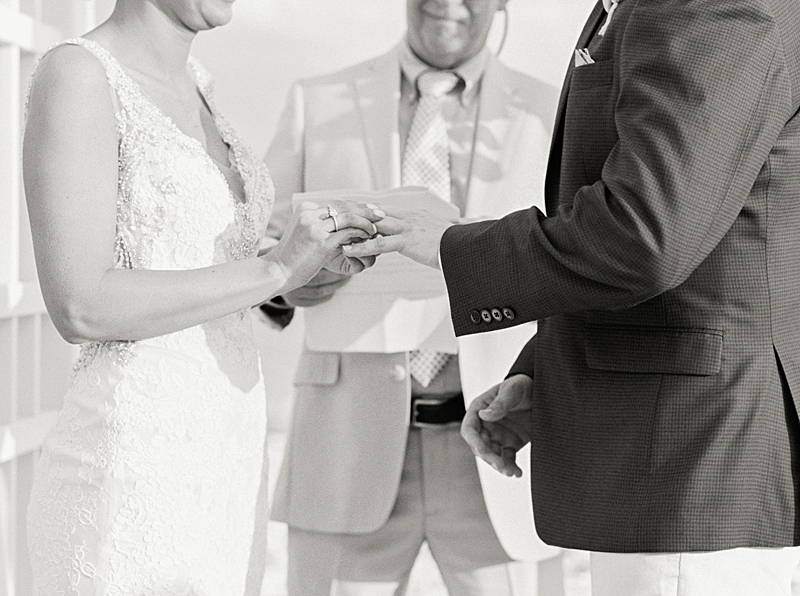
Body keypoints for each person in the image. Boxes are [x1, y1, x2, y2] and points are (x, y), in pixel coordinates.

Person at [344, 0, 800, 594]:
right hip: (666, 468)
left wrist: (456, 247)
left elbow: (646, 231)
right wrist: (553, 370)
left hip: (692, 473)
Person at [22, 0, 381, 593]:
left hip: (225, 465)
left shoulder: (200, 85)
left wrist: (308, 270)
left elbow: (215, 277)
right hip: (130, 467)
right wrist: (275, 269)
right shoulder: (80, 74)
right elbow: (79, 303)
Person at [260, 1, 575, 594]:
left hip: (501, 446)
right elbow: (265, 252)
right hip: (343, 448)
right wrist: (293, 281)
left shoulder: (551, 108)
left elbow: (576, 261)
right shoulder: (316, 97)